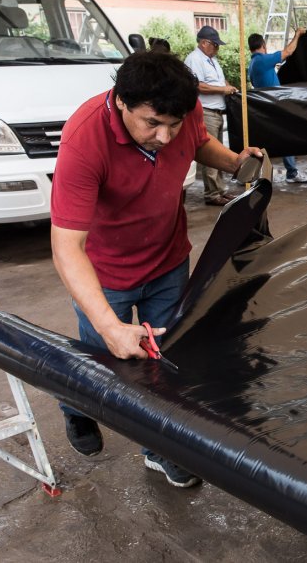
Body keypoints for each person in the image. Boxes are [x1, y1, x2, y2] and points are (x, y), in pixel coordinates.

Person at [50, 51, 263, 488]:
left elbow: (197, 140)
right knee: (98, 360)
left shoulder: (183, 110)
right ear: (122, 102)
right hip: (105, 274)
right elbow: (66, 247)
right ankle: (77, 411)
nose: (165, 136)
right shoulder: (85, 139)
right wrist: (109, 326)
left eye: (174, 123)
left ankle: (160, 449)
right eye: (152, 124)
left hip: (167, 262)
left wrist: (234, 163)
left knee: (165, 363)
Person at [183, 25, 240, 206]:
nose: (217, 48)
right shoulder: (194, 60)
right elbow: (198, 86)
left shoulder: (211, 60)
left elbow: (219, 80)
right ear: (204, 42)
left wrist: (228, 87)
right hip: (205, 111)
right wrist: (223, 89)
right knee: (210, 154)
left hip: (216, 112)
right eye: (215, 45)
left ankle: (220, 190)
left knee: (218, 153)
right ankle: (213, 193)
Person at [248, 30, 307, 184]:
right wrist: (297, 35)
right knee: (286, 135)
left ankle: (252, 172)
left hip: (266, 106)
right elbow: (288, 51)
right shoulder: (262, 60)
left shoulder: (253, 64)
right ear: (263, 45)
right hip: (273, 105)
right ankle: (291, 173)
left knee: (267, 141)